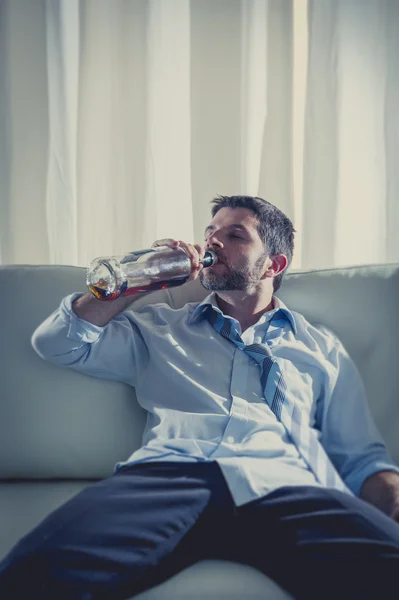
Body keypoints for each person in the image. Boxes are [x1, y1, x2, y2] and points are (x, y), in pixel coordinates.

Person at [1, 195, 399, 600]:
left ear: (274, 265)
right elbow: (57, 343)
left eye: (234, 235)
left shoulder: (320, 348)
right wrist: (140, 279)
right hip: (168, 478)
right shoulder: (159, 327)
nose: (213, 243)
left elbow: (360, 457)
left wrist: (389, 502)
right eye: (210, 233)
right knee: (30, 575)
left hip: (286, 486)